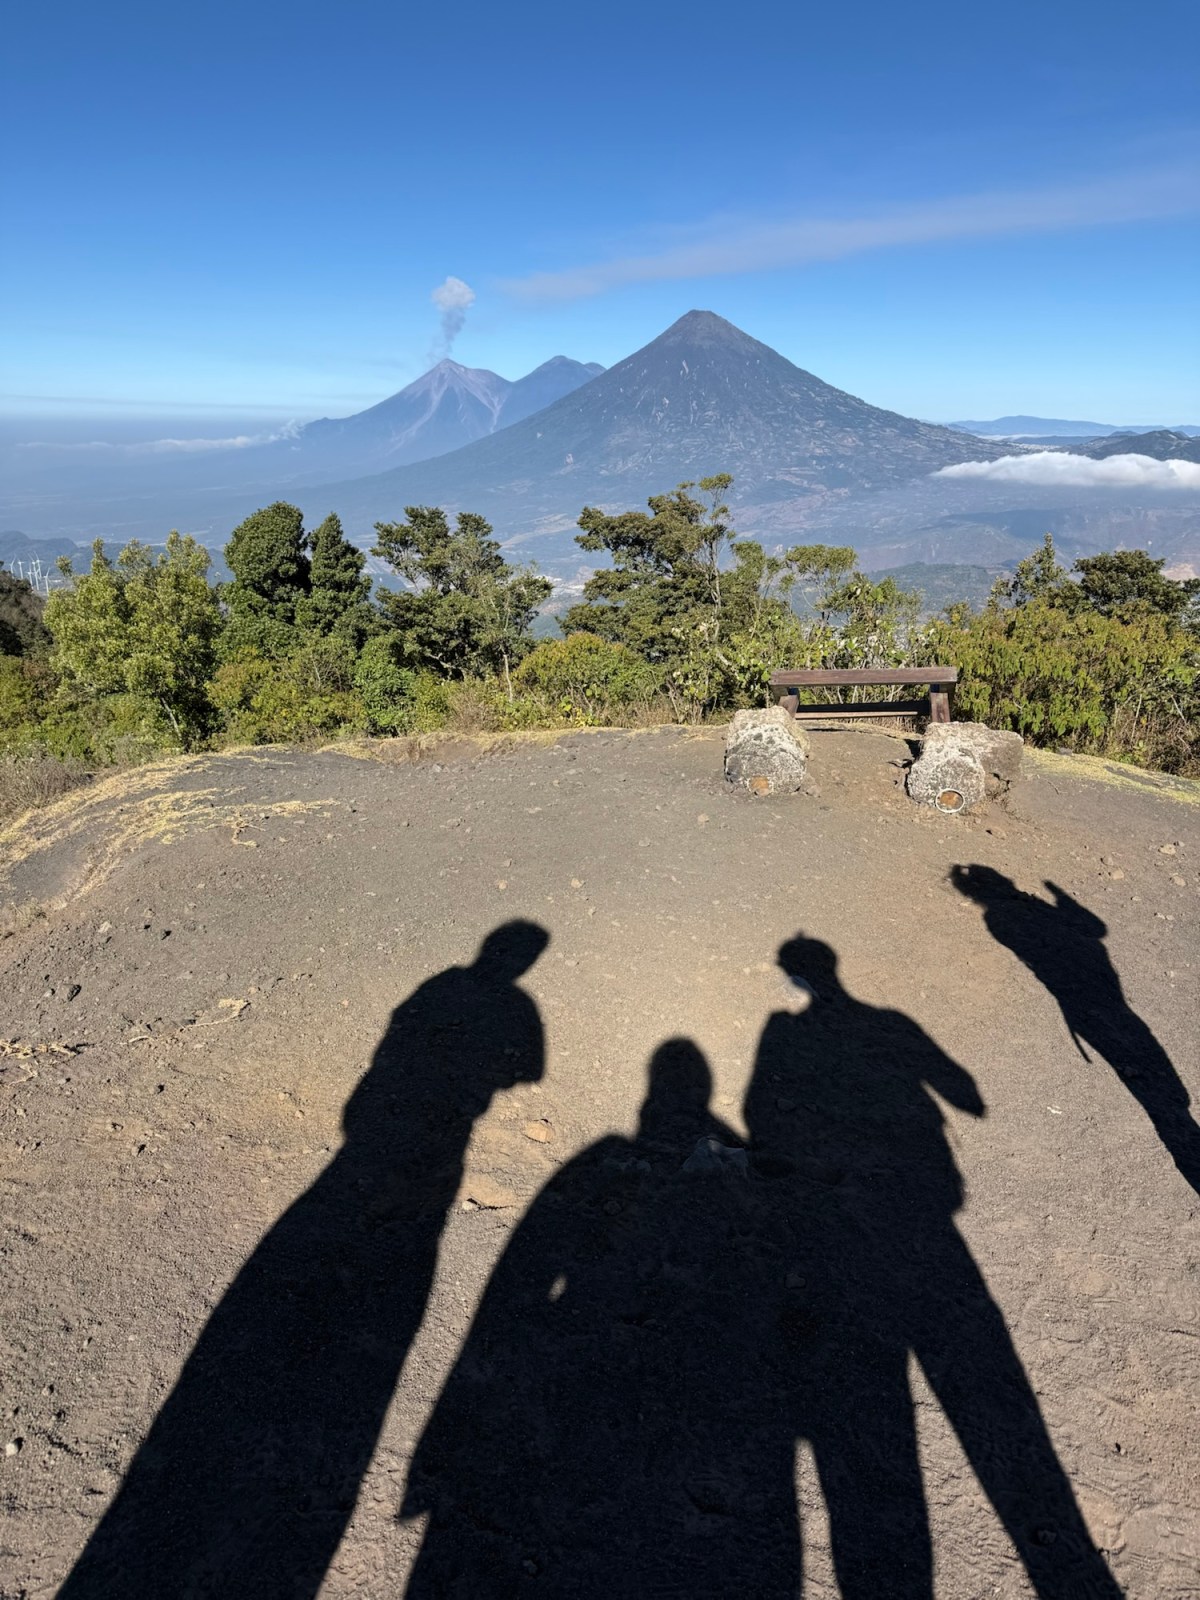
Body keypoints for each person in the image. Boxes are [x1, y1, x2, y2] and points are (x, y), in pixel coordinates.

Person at [61, 921, 549, 1600]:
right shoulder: (511, 1005)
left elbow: (397, 1049)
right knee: (396, 1267)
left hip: (372, 1135)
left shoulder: (437, 988)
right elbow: (525, 1071)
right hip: (427, 1148)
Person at [748, 933, 1122, 1599]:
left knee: (866, 1410)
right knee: (990, 1395)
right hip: (926, 1218)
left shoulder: (783, 1035)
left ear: (795, 979)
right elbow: (968, 1095)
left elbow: (758, 1114)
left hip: (843, 1226)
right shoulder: (891, 1025)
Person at [953, 863, 1199, 1195]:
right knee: (1172, 1100)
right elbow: (1096, 929)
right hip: (1106, 1011)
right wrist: (1060, 901)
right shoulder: (1005, 919)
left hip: (1085, 1011)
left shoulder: (998, 919)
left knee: (1170, 1104)